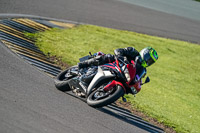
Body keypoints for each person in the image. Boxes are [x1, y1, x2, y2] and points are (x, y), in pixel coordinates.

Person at [78, 46, 158, 69]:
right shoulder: (133, 52)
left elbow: (137, 79)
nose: (148, 61)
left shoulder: (141, 68)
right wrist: (120, 56)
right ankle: (84, 63)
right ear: (144, 53)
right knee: (108, 57)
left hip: (120, 73)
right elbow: (118, 50)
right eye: (149, 58)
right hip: (114, 63)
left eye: (151, 61)